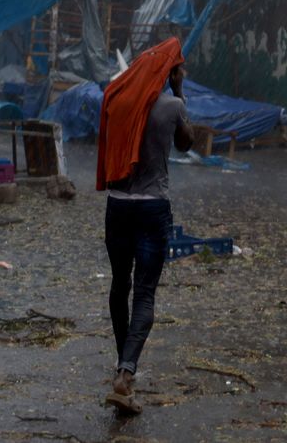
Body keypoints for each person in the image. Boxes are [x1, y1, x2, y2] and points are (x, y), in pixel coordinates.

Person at [95, 37, 194, 416]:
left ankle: (124, 372)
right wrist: (179, 89)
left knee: (120, 285)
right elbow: (187, 143)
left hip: (117, 208)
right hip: (153, 209)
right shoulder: (171, 105)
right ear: (168, 72)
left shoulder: (116, 99)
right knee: (145, 293)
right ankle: (125, 372)